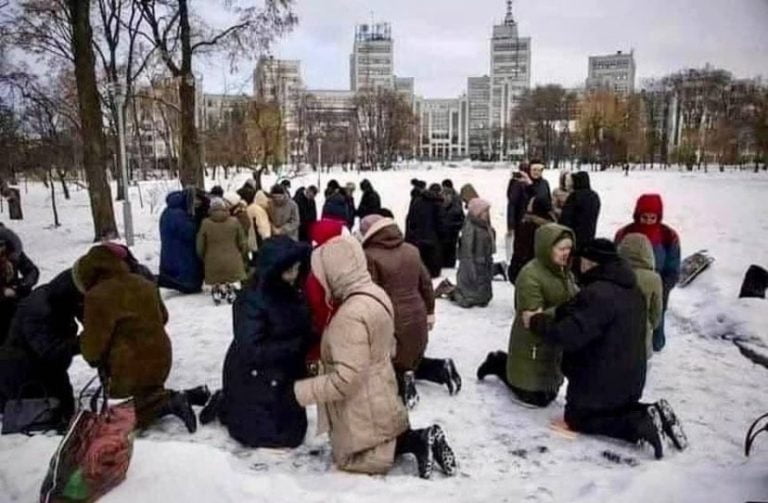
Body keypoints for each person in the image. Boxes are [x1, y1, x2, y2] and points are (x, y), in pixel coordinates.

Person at [293, 235, 457, 479]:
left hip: (360, 398)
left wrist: (300, 391)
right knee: (381, 434)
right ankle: (419, 439)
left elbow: (346, 380)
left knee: (355, 458)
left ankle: (420, 439)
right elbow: (389, 344)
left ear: (335, 272)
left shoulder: (348, 316)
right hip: (380, 384)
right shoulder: (375, 293)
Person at [523, 239, 687, 459]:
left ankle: (639, 424)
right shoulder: (631, 288)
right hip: (629, 378)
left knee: (578, 418)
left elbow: (569, 334)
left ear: (590, 263)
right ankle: (654, 413)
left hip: (601, 380)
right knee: (615, 409)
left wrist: (535, 322)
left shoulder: (598, 294)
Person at [0, 246, 158, 421]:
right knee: (54, 417)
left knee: (66, 409)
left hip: (47, 374)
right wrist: (88, 341)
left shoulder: (63, 300)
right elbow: (51, 352)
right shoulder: (40, 310)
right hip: (23, 380)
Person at [76, 245, 204, 433]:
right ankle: (183, 396)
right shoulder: (144, 282)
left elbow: (93, 350)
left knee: (121, 417)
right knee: (146, 392)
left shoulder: (97, 296)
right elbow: (164, 317)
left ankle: (169, 403)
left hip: (127, 368)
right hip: (162, 357)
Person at [201, 237, 312, 448]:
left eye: (297, 269)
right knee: (275, 436)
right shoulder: (252, 299)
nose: (294, 275)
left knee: (293, 432)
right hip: (255, 375)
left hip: (282, 374)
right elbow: (251, 348)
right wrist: (295, 346)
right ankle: (227, 405)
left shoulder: (291, 290)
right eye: (289, 270)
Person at [360, 215, 461, 409]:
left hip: (391, 318)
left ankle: (403, 383)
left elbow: (371, 294)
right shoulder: (411, 250)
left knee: (389, 363)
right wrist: (430, 311)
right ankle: (441, 368)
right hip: (417, 315)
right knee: (412, 358)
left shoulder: (369, 256)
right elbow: (425, 284)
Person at [477, 224, 578, 407]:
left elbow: (573, 296)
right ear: (547, 248)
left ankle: (506, 365)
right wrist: (568, 308)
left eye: (569, 248)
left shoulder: (564, 272)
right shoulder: (530, 275)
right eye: (561, 248)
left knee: (549, 391)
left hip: (553, 341)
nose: (566, 253)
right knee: (534, 398)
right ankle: (499, 363)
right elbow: (532, 317)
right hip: (532, 342)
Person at [614, 194, 681, 352]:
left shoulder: (668, 236)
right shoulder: (624, 233)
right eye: (645, 217)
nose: (649, 221)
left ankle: (656, 344)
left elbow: (673, 267)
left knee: (655, 316)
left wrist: (662, 287)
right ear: (638, 215)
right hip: (627, 283)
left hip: (657, 284)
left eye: (653, 218)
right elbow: (614, 259)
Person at [442, 198, 495, 308]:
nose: (487, 214)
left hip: (483, 266)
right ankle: (450, 290)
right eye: (485, 211)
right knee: (468, 300)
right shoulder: (470, 227)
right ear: (477, 212)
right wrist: (470, 271)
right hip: (473, 266)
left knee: (484, 298)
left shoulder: (485, 226)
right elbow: (467, 252)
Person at [618, 233, 663, 360]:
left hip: (617, 335)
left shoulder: (615, 272)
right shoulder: (654, 279)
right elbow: (656, 313)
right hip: (641, 336)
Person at [197, 198, 248, 304]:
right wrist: (241, 255)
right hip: (233, 260)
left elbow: (200, 245)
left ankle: (217, 289)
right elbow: (242, 242)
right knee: (231, 277)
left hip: (212, 261)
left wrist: (203, 257)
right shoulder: (234, 221)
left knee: (216, 278)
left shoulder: (205, 223)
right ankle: (230, 289)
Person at [159, 189, 205, 294]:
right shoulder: (179, 215)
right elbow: (189, 232)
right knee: (185, 266)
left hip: (171, 248)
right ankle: (188, 285)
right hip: (182, 250)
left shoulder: (166, 212)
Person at [0, 225, 39, 344]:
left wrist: (23, 285)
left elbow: (32, 271)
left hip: (15, 304)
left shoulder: (13, 253)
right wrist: (3, 292)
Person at [507, 195, 556, 284]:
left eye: (530, 204)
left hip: (527, 274)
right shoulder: (554, 228)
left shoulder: (528, 227)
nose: (528, 206)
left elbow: (521, 252)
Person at [405, 183, 444, 278]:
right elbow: (440, 223)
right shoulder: (437, 204)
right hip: (432, 239)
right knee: (433, 272)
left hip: (417, 238)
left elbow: (410, 219)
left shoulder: (417, 201)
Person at [560, 171, 601, 253]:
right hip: (590, 234)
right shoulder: (595, 196)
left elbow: (565, 218)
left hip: (574, 236)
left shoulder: (574, 196)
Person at [505, 166, 532, 264]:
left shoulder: (527, 184)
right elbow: (512, 205)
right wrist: (511, 225)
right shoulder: (518, 184)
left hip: (522, 220)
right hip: (521, 221)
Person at [440, 179, 464, 269]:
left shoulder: (454, 198)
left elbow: (458, 212)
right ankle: (449, 264)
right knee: (451, 246)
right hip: (453, 227)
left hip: (450, 226)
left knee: (450, 247)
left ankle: (448, 264)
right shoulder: (457, 196)